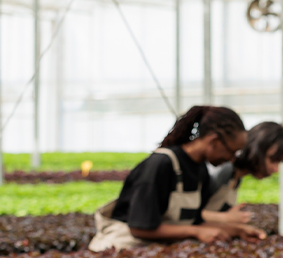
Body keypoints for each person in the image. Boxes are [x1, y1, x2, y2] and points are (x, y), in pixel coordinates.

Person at [89, 106, 267, 252]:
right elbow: (139, 227)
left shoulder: (200, 170)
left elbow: (194, 221)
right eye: (232, 151)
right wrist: (196, 232)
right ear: (214, 141)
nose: (232, 159)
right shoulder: (161, 164)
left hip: (151, 251)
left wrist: (237, 230)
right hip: (120, 250)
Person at [200, 122, 283, 224]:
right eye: (273, 160)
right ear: (256, 149)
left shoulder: (236, 178)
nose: (276, 169)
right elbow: (189, 215)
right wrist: (225, 218)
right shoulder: (224, 170)